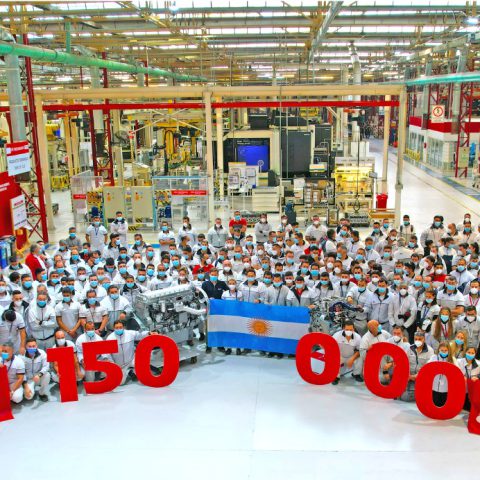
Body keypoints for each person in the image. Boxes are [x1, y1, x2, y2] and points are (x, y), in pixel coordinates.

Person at [106, 318, 157, 385]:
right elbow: (108, 353)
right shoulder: (110, 338)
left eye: (120, 327)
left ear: (123, 327)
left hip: (131, 359)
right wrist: (112, 364)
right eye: (117, 328)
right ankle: (130, 372)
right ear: (114, 328)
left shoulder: (130, 333)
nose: (119, 329)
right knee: (120, 383)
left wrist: (149, 333)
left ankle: (134, 370)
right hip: (119, 364)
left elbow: (140, 334)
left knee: (143, 372)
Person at [400, 331, 434, 402]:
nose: (417, 341)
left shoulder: (430, 351)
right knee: (403, 395)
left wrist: (416, 376)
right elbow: (404, 363)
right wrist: (408, 375)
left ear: (424, 339)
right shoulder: (409, 348)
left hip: (421, 377)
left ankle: (420, 393)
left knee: (406, 397)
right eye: (416, 339)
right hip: (409, 376)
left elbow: (428, 368)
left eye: (420, 339)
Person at [428, 341, 460, 407]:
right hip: (434, 387)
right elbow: (427, 368)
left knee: (443, 406)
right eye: (442, 350)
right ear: (439, 349)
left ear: (449, 350)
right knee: (434, 406)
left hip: (446, 389)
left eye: (445, 350)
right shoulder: (434, 357)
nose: (443, 352)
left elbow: (457, 372)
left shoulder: (452, 359)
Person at [21, 337, 50, 402]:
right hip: (28, 379)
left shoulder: (42, 353)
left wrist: (39, 375)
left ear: (36, 346)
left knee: (47, 375)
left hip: (38, 377)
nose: (32, 348)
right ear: (26, 346)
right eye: (29, 346)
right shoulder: (22, 356)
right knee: (28, 397)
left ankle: (42, 393)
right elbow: (21, 372)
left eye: (33, 346)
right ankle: (30, 389)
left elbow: (46, 366)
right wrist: (25, 386)